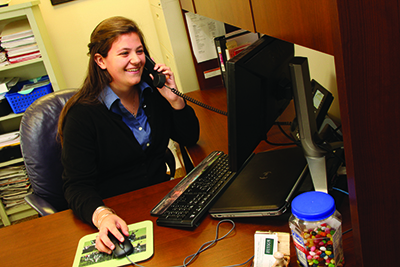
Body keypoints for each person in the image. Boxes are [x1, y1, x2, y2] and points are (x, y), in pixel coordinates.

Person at [57, 16, 199, 254]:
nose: (136, 60)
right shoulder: (81, 115)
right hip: (117, 216)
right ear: (100, 61)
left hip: (160, 205)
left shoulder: (154, 94)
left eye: (140, 51)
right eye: (124, 53)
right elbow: (76, 186)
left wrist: (174, 99)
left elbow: (189, 138)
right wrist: (102, 216)